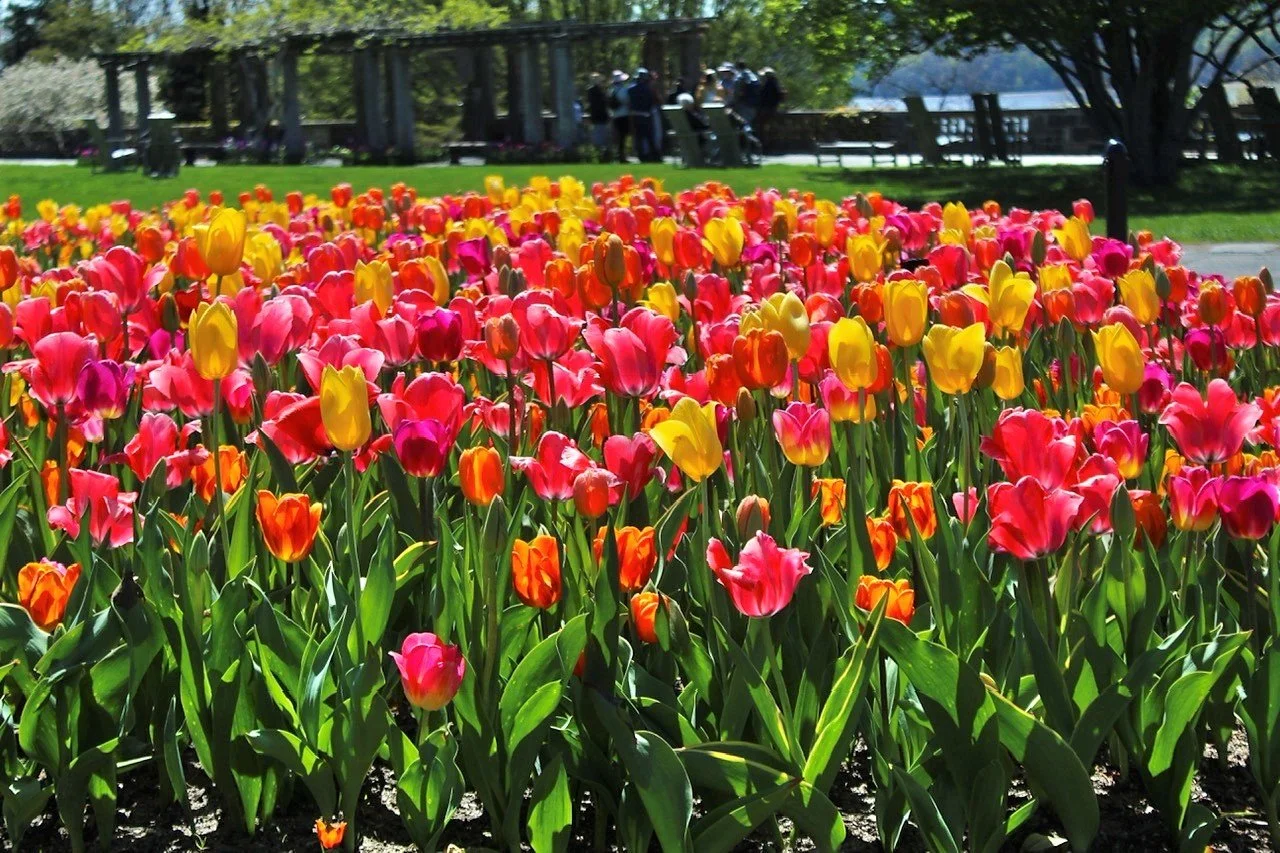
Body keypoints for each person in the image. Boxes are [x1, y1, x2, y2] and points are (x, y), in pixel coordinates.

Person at [627, 68, 658, 162]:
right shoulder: (648, 89)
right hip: (646, 115)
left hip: (635, 116)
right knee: (650, 137)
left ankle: (641, 156)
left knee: (639, 137)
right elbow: (652, 102)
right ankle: (654, 156)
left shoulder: (630, 89)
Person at [756, 67, 785, 145]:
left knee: (762, 127)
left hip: (765, 109)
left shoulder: (764, 85)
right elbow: (780, 97)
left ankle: (763, 143)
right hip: (773, 108)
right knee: (769, 126)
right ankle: (770, 142)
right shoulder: (776, 84)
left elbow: (761, 96)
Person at [608, 70, 630, 162]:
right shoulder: (624, 90)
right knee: (623, 137)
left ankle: (618, 154)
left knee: (618, 137)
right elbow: (627, 101)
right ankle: (622, 156)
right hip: (624, 115)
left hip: (615, 116)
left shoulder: (611, 90)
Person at [586, 73, 611, 152]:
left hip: (601, 117)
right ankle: (600, 152)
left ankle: (602, 152)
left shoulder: (600, 90)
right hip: (598, 117)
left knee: (602, 136)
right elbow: (598, 104)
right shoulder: (593, 90)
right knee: (599, 136)